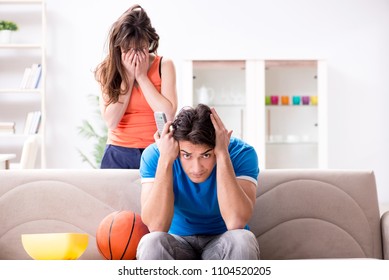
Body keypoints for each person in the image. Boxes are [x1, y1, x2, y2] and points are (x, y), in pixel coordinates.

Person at [137, 104, 260, 260]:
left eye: (206, 155)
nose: (196, 168)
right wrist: (165, 160)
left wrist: (222, 154)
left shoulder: (241, 153)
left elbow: (236, 222)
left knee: (243, 240)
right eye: (187, 155)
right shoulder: (156, 154)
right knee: (151, 242)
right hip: (177, 241)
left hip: (222, 239)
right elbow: (156, 226)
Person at [94, 4, 177, 169]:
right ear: (119, 47)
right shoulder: (107, 69)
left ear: (149, 43)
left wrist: (141, 76)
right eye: (128, 50)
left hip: (155, 149)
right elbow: (111, 121)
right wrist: (129, 77)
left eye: (141, 49)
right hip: (118, 152)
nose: (135, 55)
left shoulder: (164, 65)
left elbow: (168, 113)